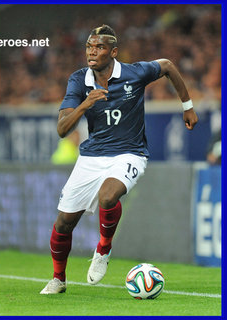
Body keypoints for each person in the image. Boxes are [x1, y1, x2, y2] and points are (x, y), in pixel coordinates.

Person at [40, 25, 198, 294]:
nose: (92, 52)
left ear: (113, 52)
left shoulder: (135, 73)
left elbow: (169, 65)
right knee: (64, 222)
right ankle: (58, 279)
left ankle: (103, 248)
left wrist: (187, 106)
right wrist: (85, 104)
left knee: (107, 196)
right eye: (89, 46)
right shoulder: (79, 80)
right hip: (91, 156)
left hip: (130, 152)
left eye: (99, 47)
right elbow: (62, 129)